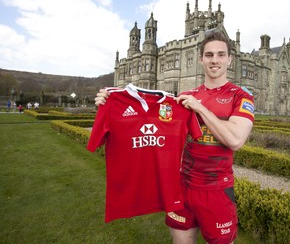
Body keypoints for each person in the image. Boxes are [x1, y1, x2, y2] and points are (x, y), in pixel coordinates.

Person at [94, 31, 255, 244]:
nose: (214, 60)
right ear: (200, 59)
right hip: (181, 187)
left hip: (216, 189)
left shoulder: (240, 95)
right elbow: (149, 123)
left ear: (229, 59)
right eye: (208, 55)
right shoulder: (185, 98)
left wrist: (201, 109)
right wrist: (112, 101)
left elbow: (235, 140)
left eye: (220, 54)